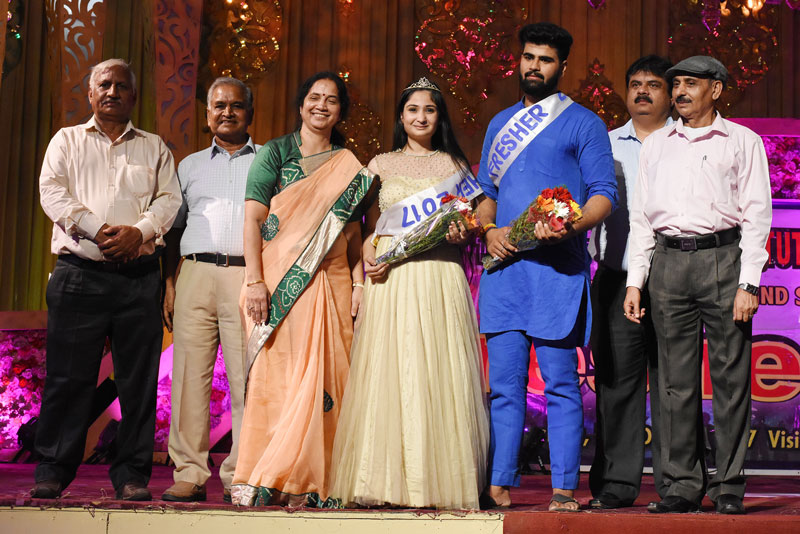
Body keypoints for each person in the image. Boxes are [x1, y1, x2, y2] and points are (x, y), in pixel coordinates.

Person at [330, 77, 490, 509]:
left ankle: (434, 483)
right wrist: (369, 250)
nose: (421, 117)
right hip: (391, 280)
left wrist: (466, 230)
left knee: (437, 371)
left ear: (439, 118)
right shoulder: (380, 164)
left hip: (439, 276)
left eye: (430, 110)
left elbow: (480, 213)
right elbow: (360, 223)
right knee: (391, 372)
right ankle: (383, 482)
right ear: (401, 117)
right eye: (413, 110)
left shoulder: (454, 165)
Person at [475, 22, 617, 511]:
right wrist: (488, 229)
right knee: (504, 388)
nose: (534, 66)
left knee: (560, 384)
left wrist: (572, 226)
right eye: (529, 57)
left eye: (545, 59)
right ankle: (499, 483)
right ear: (519, 61)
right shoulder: (499, 123)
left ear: (562, 67)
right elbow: (486, 193)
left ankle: (563, 487)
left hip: (557, 272)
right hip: (505, 273)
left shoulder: (584, 123)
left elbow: (604, 195)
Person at [624, 55, 772, 515]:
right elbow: (641, 219)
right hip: (668, 263)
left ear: (716, 89)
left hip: (723, 260)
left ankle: (728, 485)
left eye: (691, 83)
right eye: (676, 85)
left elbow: (757, 216)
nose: (680, 92)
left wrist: (749, 283)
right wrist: (635, 281)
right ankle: (681, 485)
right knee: (674, 381)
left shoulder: (742, 141)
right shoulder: (656, 145)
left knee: (731, 378)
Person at [34, 59, 181, 500]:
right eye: (104, 84)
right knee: (67, 378)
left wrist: (139, 232)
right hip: (79, 275)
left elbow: (169, 200)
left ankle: (132, 475)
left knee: (138, 383)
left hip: (138, 278)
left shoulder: (154, 147)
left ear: (134, 95)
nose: (112, 91)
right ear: (91, 93)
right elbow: (52, 192)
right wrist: (96, 229)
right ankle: (53, 470)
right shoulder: (66, 141)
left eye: (121, 85)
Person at [230, 71, 373, 508]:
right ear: (301, 104)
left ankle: (317, 479)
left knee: (327, 379)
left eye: (331, 100)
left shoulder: (348, 165)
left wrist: (358, 283)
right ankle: (268, 475)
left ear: (340, 111)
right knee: (278, 379)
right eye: (315, 97)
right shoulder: (275, 153)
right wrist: (255, 281)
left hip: (331, 283)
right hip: (278, 282)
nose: (321, 105)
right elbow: (253, 220)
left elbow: (352, 233)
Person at [160, 77, 260, 503]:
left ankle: (241, 472)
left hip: (246, 277)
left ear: (249, 113)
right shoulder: (190, 166)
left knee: (247, 378)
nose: (227, 112)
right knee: (188, 377)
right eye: (219, 105)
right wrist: (169, 283)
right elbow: (173, 229)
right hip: (195, 273)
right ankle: (189, 472)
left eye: (236, 105)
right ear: (207, 113)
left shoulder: (268, 161)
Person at [587, 55, 673, 509]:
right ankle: (616, 485)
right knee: (617, 382)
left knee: (674, 384)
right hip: (618, 278)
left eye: (653, 84)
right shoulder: (604, 145)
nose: (642, 91)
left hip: (676, 278)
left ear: (670, 93)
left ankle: (678, 485)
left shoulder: (685, 142)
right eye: (635, 83)